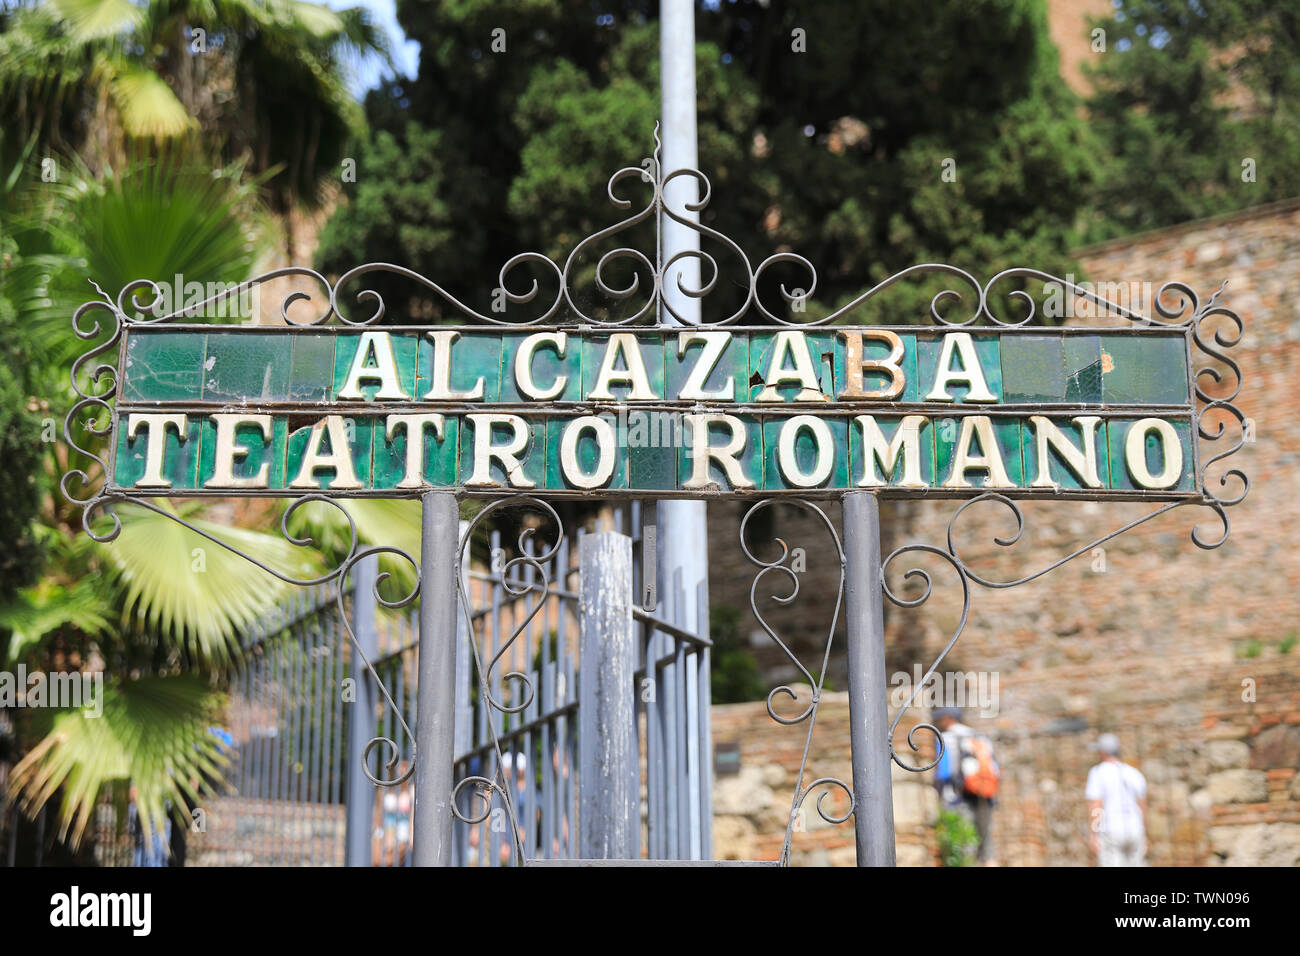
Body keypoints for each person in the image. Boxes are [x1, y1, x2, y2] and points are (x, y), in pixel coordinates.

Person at [932, 706, 999, 865]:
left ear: (948, 718)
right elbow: (995, 769)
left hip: (958, 795)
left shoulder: (945, 738)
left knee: (964, 837)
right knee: (986, 840)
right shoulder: (979, 736)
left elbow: (944, 772)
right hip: (983, 792)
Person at [1086, 733, 1147, 866]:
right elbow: (1142, 806)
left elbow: (1096, 806)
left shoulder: (1098, 772)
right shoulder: (1134, 773)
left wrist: (1094, 833)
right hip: (1135, 829)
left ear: (1102, 752)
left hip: (1111, 831)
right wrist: (1143, 831)